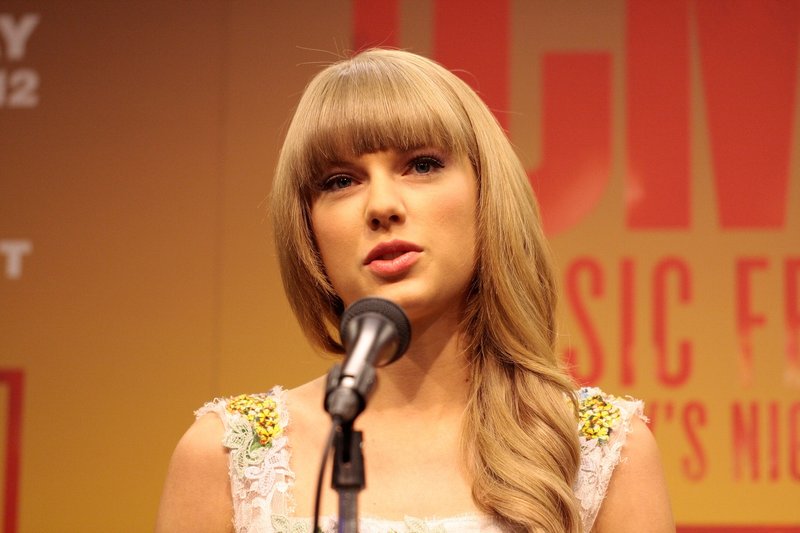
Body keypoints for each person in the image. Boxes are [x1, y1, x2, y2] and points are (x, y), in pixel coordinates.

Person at [155, 48, 674, 533]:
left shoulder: (599, 447)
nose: (382, 204)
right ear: (307, 231)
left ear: (486, 195)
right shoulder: (227, 455)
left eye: (421, 165)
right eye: (339, 181)